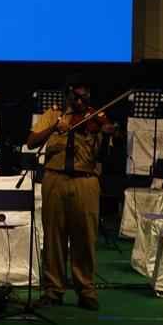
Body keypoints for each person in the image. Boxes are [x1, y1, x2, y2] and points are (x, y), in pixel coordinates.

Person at [26, 77, 121, 311]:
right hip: (55, 179)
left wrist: (107, 134)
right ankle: (53, 290)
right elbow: (31, 142)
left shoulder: (96, 117)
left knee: (85, 237)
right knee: (53, 237)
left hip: (85, 181)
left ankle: (86, 290)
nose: (80, 102)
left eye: (84, 98)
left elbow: (104, 158)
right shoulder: (53, 114)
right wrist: (54, 128)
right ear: (67, 95)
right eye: (76, 97)